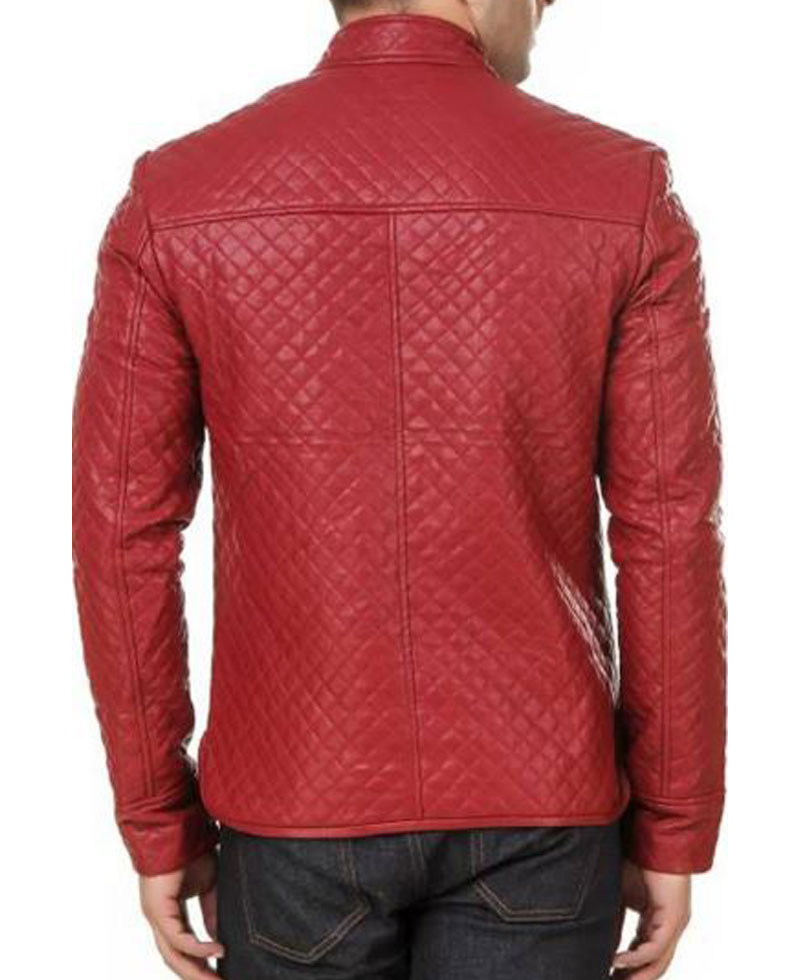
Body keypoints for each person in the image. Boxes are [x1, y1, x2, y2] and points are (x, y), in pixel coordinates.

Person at [71, 1, 727, 977]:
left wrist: (158, 815)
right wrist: (673, 820)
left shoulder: (178, 192)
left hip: (291, 802)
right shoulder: (622, 187)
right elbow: (669, 528)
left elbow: (121, 529)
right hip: (542, 805)